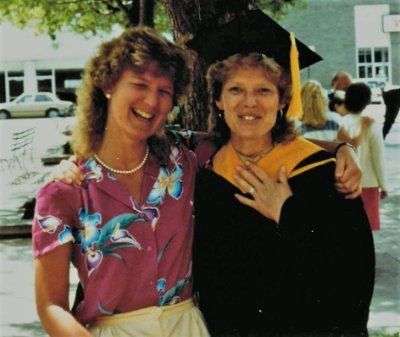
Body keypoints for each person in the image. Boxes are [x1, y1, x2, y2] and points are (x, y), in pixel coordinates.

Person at [188, 10, 375, 337]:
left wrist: (289, 213)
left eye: (264, 90)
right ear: (218, 99)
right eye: (235, 90)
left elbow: (354, 277)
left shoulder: (322, 173)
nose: (249, 103)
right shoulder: (206, 175)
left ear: (282, 100)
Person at [32, 27, 210, 337]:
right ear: (108, 85)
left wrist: (326, 154)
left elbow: (254, 143)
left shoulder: (185, 155)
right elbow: (50, 306)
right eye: (139, 84)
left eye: (164, 91)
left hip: (186, 327)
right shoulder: (64, 191)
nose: (151, 101)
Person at [340, 82, 388, 231]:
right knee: (367, 228)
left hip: (346, 182)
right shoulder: (372, 124)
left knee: (347, 226)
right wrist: (384, 185)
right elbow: (378, 158)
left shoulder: (340, 123)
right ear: (367, 101)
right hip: (369, 183)